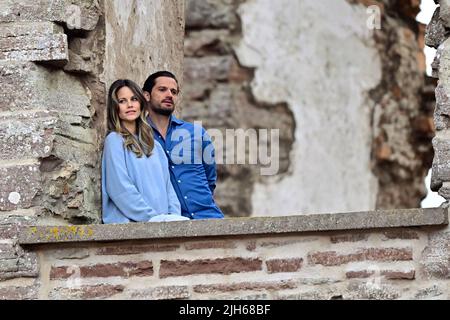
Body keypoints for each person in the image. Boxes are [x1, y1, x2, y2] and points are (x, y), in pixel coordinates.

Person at [102, 79, 189, 224]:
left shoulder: (155, 146)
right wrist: (151, 218)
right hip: (133, 227)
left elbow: (169, 190)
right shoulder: (114, 141)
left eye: (134, 99)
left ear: (141, 103)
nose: (129, 105)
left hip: (162, 226)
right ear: (115, 107)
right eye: (122, 101)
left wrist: (174, 218)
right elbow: (119, 188)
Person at [142, 71, 224, 220]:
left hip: (208, 217)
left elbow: (210, 179)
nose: (169, 95)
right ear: (146, 95)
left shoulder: (196, 133)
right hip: (171, 223)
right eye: (162, 90)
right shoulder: (138, 137)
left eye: (174, 92)